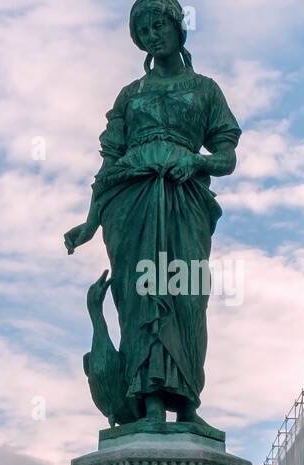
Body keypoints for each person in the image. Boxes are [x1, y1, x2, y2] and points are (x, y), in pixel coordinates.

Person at [64, 0, 241, 426]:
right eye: (143, 30)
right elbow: (108, 163)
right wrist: (90, 222)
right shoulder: (130, 95)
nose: (152, 35)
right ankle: (148, 403)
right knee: (139, 297)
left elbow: (227, 155)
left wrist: (196, 163)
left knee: (186, 296)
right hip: (132, 205)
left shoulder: (205, 90)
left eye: (158, 24)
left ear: (178, 27)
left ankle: (187, 405)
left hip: (185, 202)